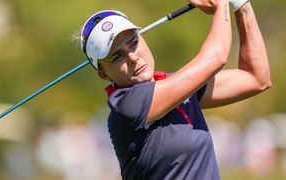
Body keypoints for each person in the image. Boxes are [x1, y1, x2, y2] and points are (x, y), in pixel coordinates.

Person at [79, 0, 271, 179]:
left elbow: (256, 78)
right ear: (104, 75)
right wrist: (222, 4)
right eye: (117, 56)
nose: (132, 57)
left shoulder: (174, 86)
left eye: (133, 42)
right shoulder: (127, 106)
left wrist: (240, 5)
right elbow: (216, 57)